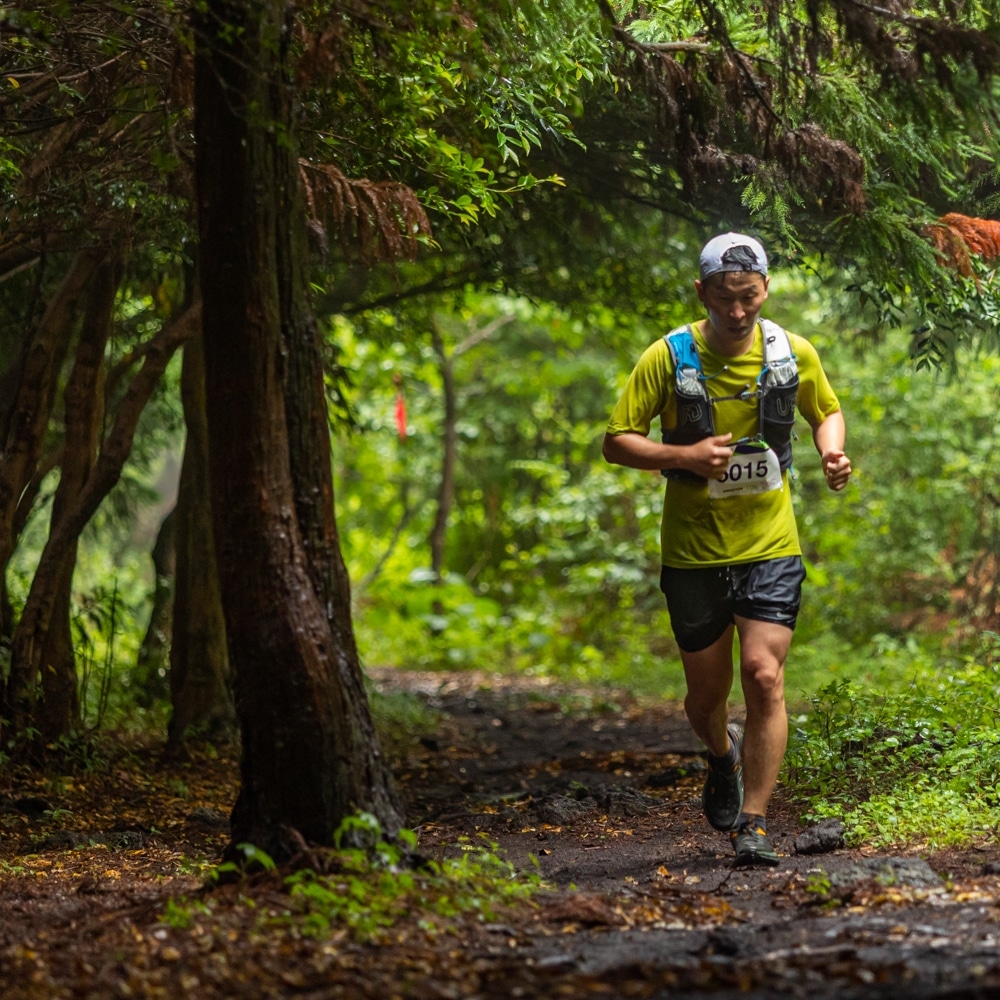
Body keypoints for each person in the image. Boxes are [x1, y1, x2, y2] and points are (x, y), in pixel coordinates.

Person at [602, 233, 852, 867]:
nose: (737, 311)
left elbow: (826, 409)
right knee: (705, 701)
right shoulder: (667, 357)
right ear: (701, 291)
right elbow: (617, 441)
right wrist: (683, 455)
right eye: (723, 297)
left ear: (764, 289)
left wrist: (830, 451)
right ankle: (721, 755)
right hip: (692, 551)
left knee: (765, 675)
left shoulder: (791, 353)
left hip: (771, 543)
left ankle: (756, 821)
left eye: (748, 297)